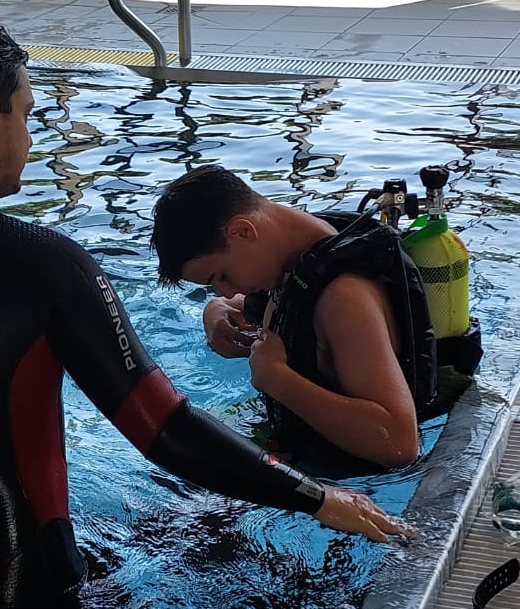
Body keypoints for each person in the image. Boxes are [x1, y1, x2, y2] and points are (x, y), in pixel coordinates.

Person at [0, 15, 408, 609]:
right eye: (26, 112)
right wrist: (314, 497)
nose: (31, 137)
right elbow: (162, 429)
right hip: (32, 600)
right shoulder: (44, 265)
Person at [151, 165, 435, 470]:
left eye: (221, 276)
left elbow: (400, 443)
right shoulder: (294, 257)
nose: (224, 289)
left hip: (346, 483)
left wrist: (278, 379)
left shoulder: (344, 298)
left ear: (243, 231)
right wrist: (217, 309)